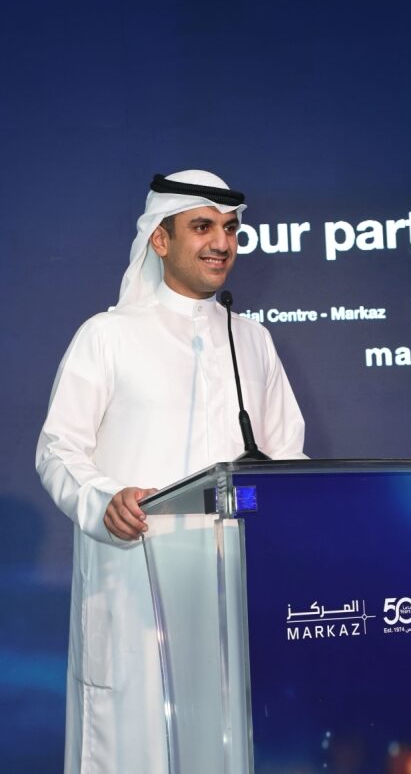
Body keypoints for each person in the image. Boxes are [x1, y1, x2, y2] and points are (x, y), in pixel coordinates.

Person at [36, 170, 305, 773]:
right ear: (160, 239)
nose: (222, 243)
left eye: (230, 229)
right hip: (135, 590)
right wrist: (104, 499)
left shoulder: (251, 340)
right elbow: (57, 448)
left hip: (233, 595)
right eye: (202, 227)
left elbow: (287, 457)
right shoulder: (107, 336)